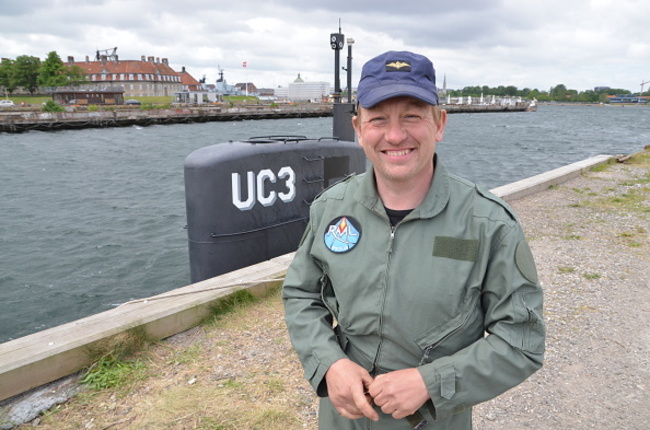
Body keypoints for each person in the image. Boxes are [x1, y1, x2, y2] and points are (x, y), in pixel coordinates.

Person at [282, 50, 545, 429]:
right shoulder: (332, 208)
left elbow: (522, 340)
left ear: (439, 123)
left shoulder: (488, 224)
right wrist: (330, 362)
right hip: (345, 419)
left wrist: (431, 382)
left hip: (432, 419)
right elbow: (301, 295)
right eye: (378, 119)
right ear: (358, 128)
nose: (394, 135)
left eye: (411, 116)